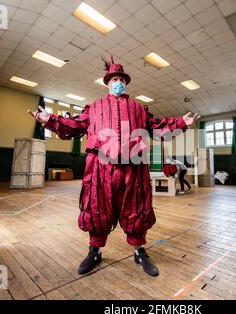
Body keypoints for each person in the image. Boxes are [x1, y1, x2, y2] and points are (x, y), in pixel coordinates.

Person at [28, 56, 200, 277]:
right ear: (107, 83)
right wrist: (50, 119)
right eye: (114, 79)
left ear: (125, 83)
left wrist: (180, 123)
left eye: (121, 79)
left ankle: (140, 252)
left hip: (133, 167)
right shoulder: (94, 108)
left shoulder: (139, 109)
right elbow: (76, 124)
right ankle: (95, 251)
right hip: (100, 167)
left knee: (137, 210)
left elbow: (157, 128)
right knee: (97, 207)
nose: (118, 82)